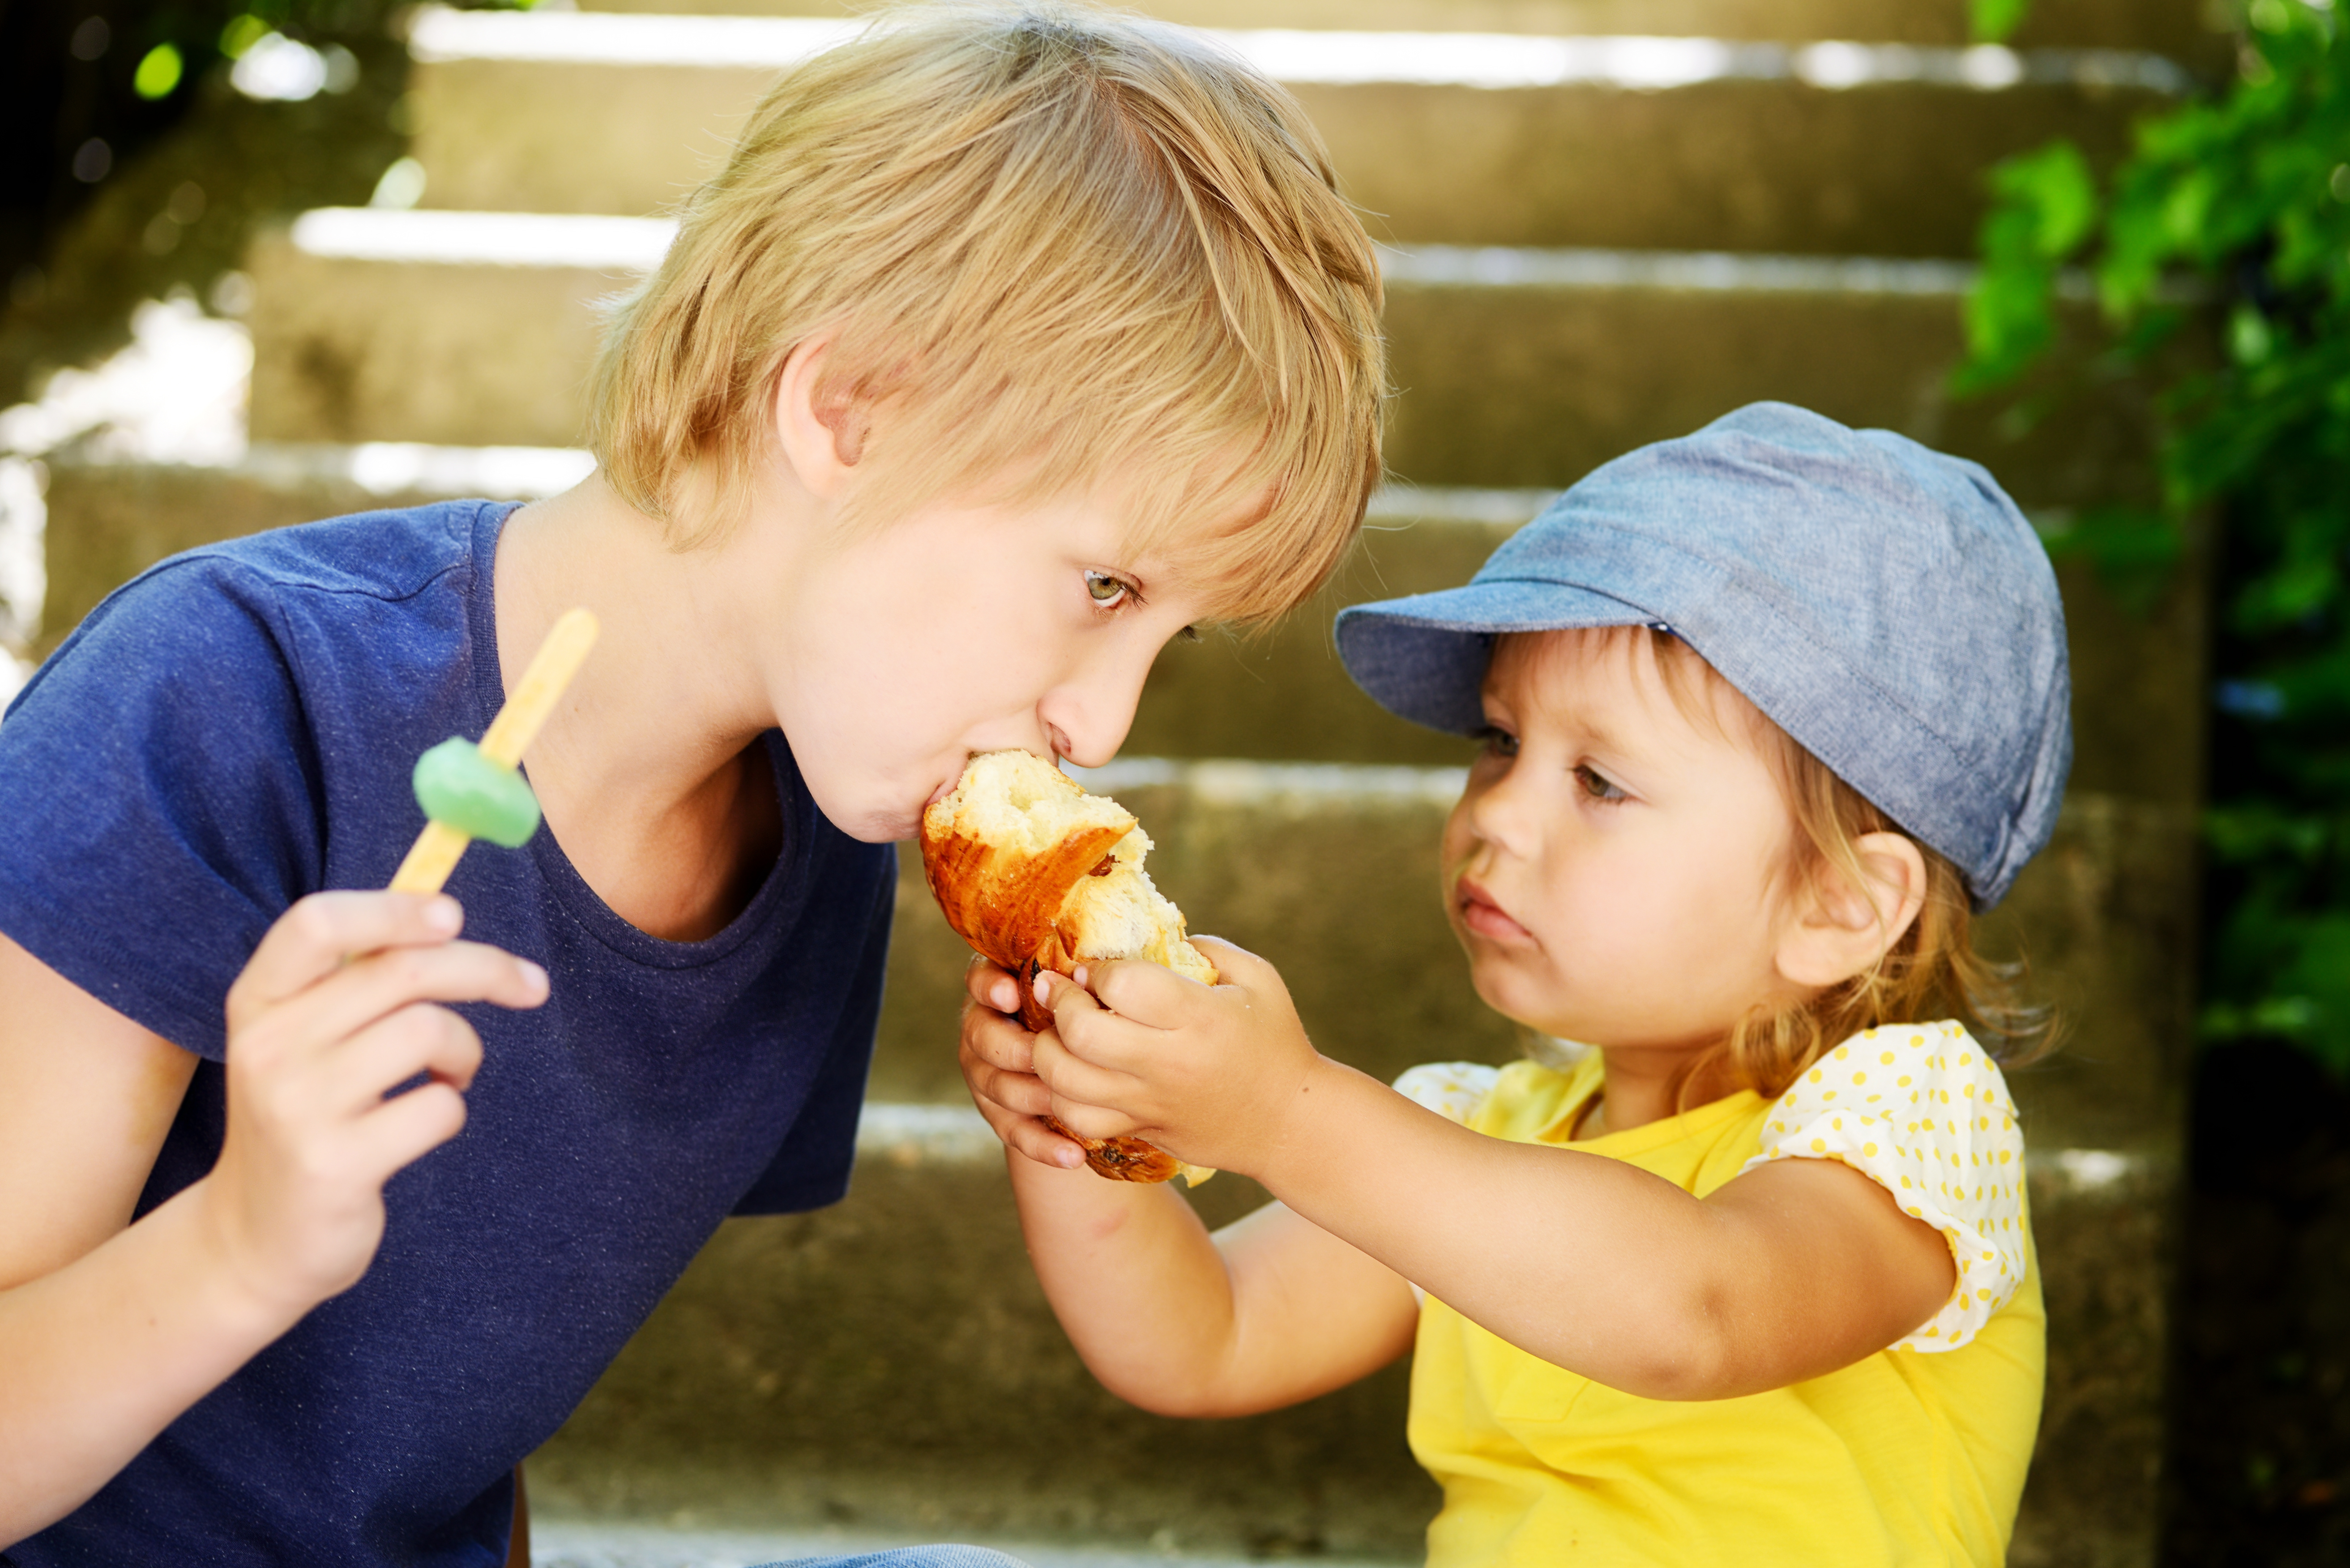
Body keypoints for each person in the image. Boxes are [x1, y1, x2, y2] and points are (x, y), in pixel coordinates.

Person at [0, 5, 1384, 1562]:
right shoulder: (226, 696)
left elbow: (453, 1438)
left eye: (1170, 634)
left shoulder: (818, 842)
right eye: (1106, 585)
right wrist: (238, 1248)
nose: (1104, 720)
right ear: (850, 408)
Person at [959, 402, 2068, 1564]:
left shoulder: (1916, 1117)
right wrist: (1073, 1118)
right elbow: (1201, 1337)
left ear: (1840, 903)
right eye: (1499, 742)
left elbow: (1700, 1307)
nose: (1498, 811)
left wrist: (1288, 1112)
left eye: (1598, 779)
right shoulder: (1475, 1132)